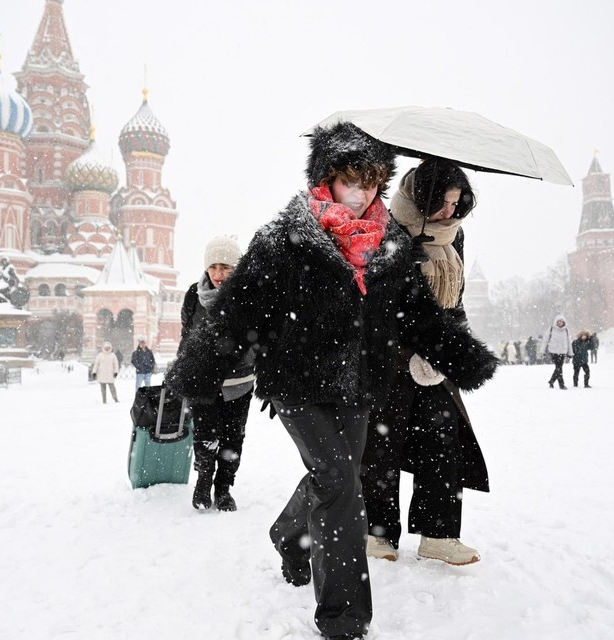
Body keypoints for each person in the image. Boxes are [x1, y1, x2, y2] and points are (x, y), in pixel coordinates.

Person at [164, 122, 496, 640]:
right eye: (350, 181)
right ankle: (344, 621)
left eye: (371, 182)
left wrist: (464, 357)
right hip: (296, 384)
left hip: (358, 386)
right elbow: (235, 311)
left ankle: (288, 534)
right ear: (327, 178)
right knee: (341, 481)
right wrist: (197, 370)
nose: (361, 193)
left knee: (337, 477)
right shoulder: (285, 238)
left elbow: (418, 315)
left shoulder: (390, 244)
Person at [362, 157, 492, 568]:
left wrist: (454, 342)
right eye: (443, 202)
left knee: (443, 443)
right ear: (422, 196)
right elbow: (374, 301)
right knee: (380, 448)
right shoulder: (385, 229)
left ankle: (438, 534)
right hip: (390, 358)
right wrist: (402, 261)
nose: (450, 211)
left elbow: (455, 300)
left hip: (437, 360)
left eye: (456, 203)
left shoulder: (454, 237)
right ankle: (377, 534)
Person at [179, 235, 254, 511]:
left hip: (239, 382)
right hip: (203, 382)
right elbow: (186, 337)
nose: (218, 274)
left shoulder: (249, 296)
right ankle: (203, 482)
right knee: (205, 436)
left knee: (233, 439)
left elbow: (261, 341)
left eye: (225, 267)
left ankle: (223, 488)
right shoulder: (194, 296)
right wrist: (181, 371)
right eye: (213, 267)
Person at [545, 314, 573, 389]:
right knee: (559, 368)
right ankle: (561, 384)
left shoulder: (566, 330)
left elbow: (569, 342)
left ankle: (552, 381)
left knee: (558, 368)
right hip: (553, 351)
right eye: (559, 321)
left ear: (564, 322)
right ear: (556, 322)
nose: (560, 323)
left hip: (563, 352)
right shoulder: (551, 329)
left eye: (561, 321)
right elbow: (545, 340)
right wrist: (542, 351)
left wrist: (570, 352)